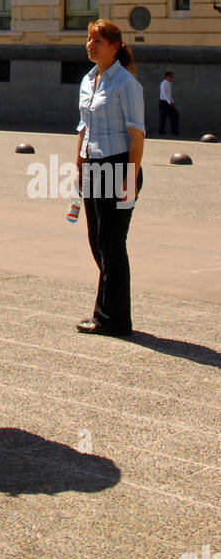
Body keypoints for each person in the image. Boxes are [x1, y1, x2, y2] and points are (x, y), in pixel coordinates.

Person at [75, 19, 145, 338]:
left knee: (112, 244)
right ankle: (110, 312)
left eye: (98, 41)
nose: (91, 45)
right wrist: (78, 166)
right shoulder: (90, 80)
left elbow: (137, 135)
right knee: (97, 242)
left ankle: (113, 318)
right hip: (93, 167)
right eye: (90, 40)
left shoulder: (126, 84)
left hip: (118, 167)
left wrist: (130, 177)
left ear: (114, 47)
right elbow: (83, 127)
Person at [158, 72, 179, 137]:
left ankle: (174, 130)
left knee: (175, 115)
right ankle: (161, 131)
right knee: (163, 117)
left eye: (172, 77)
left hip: (169, 102)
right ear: (166, 77)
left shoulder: (169, 84)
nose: (171, 78)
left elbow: (169, 94)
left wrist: (172, 101)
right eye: (170, 77)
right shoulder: (163, 83)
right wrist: (169, 102)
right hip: (164, 102)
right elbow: (164, 94)